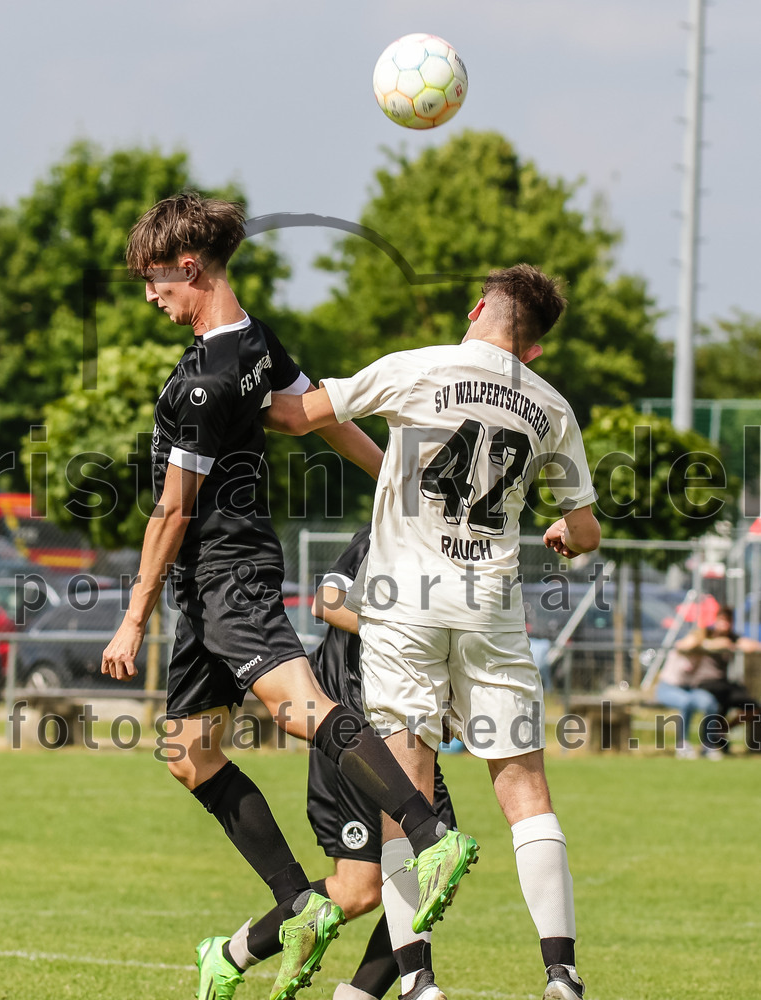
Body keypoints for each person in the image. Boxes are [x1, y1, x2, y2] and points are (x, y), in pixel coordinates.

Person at [101, 194, 479, 1000]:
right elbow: (321, 420)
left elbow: (173, 509)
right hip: (205, 588)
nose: (149, 294)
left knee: (299, 705)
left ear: (189, 268)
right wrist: (399, 482)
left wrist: (132, 614)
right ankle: (296, 901)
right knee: (188, 754)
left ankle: (426, 833)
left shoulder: (206, 377)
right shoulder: (254, 344)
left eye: (154, 280)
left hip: (222, 569)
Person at [267, 264, 601, 1000]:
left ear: (479, 308)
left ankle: (417, 980)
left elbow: (297, 416)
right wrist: (563, 534)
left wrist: (253, 374)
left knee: (405, 796)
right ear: (536, 349)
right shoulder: (551, 406)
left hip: (405, 609)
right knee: (525, 791)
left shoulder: (416, 369)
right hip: (489, 610)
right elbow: (585, 527)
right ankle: (561, 971)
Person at [198, 526, 460, 1000]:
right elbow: (328, 600)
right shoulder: (390, 528)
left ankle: (239, 957)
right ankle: (412, 987)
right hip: (350, 722)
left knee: (399, 877)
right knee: (396, 869)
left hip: (403, 727)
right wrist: (407, 631)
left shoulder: (467, 548)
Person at [674, 606, 761, 757]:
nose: (724, 625)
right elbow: (683, 645)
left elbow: (751, 644)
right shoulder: (705, 633)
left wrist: (734, 645)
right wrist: (710, 644)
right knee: (712, 704)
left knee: (753, 707)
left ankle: (720, 731)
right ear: (715, 620)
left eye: (728, 621)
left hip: (723, 684)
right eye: (721, 620)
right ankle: (707, 744)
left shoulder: (732, 638)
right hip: (704, 683)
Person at [655, 644, 722, 758]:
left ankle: (707, 745)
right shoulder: (679, 652)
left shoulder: (703, 658)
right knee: (687, 702)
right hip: (668, 688)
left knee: (711, 703)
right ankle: (683, 744)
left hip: (689, 690)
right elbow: (685, 643)